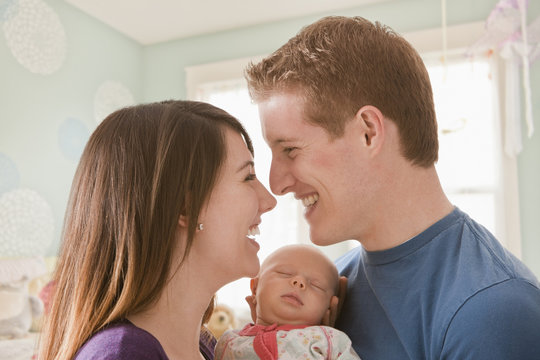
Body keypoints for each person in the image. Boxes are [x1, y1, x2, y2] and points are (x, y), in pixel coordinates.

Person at [244, 16, 540, 360]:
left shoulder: (492, 313)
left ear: (368, 132)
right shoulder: (327, 293)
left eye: (290, 150)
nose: (276, 184)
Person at [38, 100, 277, 360]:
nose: (269, 201)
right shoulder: (123, 355)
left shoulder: (202, 345)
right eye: (248, 177)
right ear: (185, 208)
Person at [215, 244, 360, 360]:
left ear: (329, 306)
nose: (299, 282)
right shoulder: (229, 342)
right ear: (255, 288)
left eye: (316, 285)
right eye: (284, 273)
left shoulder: (329, 341)